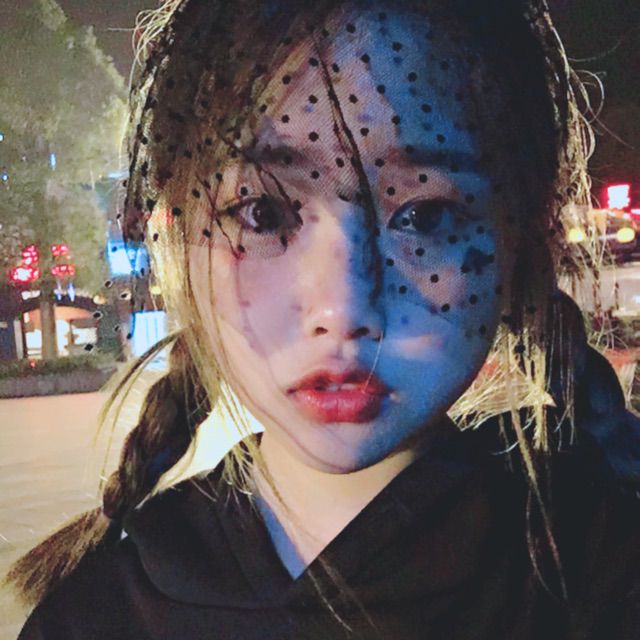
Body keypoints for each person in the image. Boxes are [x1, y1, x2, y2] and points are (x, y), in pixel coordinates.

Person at [7, 0, 640, 637]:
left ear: (519, 239)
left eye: (424, 215)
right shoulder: (92, 620)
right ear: (178, 235)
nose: (341, 309)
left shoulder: (602, 569)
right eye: (261, 214)